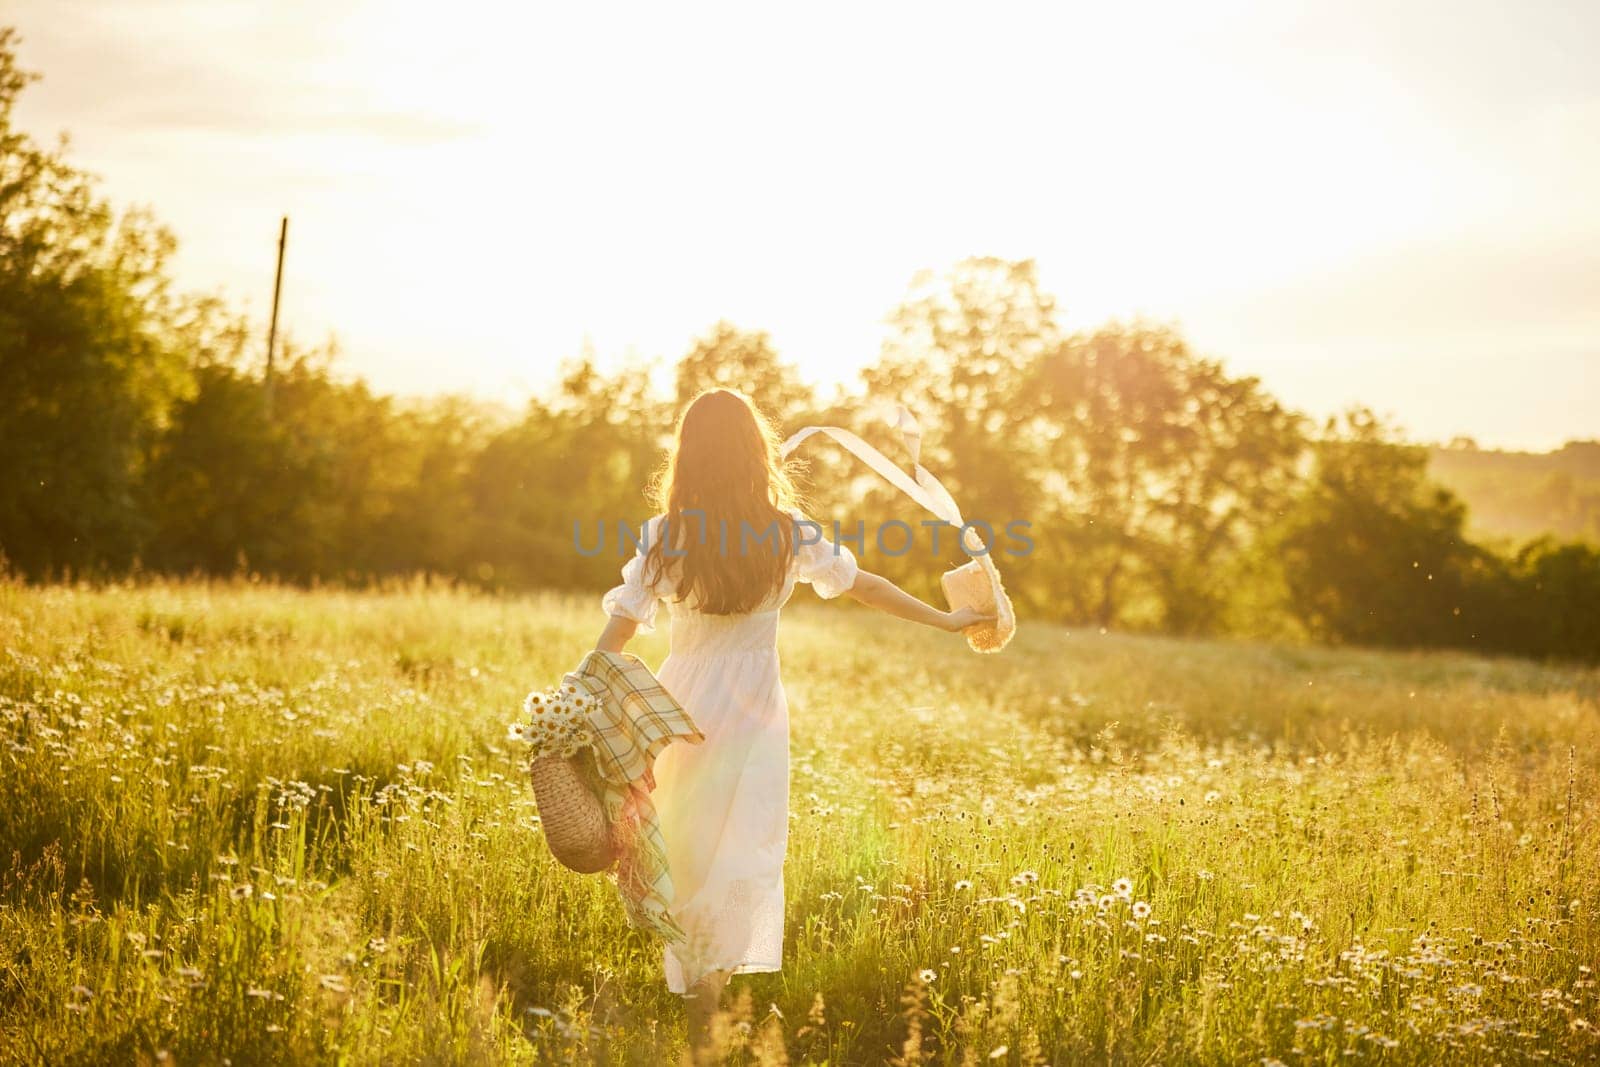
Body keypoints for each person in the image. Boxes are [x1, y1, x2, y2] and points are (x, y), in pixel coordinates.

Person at [592, 388, 992, 1058]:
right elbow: (864, 584)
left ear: (687, 456)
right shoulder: (785, 532)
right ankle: (704, 1019)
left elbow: (620, 628)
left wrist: (581, 694)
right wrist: (946, 618)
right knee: (737, 856)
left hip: (679, 707)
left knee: (686, 856)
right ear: (759, 453)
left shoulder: (667, 535)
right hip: (752, 714)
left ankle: (701, 1019)